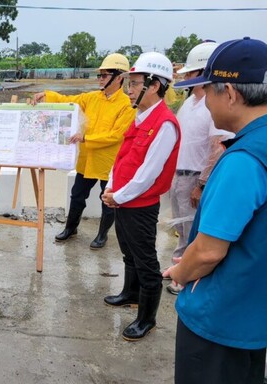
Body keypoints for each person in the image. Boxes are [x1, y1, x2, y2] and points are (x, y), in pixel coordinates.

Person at [163, 37, 267, 384]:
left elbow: (208, 252)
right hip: (253, 315)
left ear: (232, 94)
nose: (204, 101)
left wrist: (180, 273)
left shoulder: (243, 160)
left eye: (207, 91)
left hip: (219, 321)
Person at [101, 52, 181, 341]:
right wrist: (111, 187)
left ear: (155, 85)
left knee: (146, 261)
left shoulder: (165, 123)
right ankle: (130, 294)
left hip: (140, 205)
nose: (129, 90)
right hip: (123, 200)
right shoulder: (140, 117)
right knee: (128, 252)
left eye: (134, 84)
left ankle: (147, 319)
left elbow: (148, 174)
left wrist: (117, 196)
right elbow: (122, 157)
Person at [32, 53, 136, 250]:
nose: (100, 79)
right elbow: (69, 101)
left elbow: (116, 135)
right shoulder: (92, 98)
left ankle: (102, 234)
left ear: (119, 78)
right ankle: (71, 228)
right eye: (100, 75)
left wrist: (86, 138)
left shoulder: (126, 105)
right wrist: (46, 95)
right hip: (87, 159)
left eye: (104, 76)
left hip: (108, 162)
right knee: (77, 194)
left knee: (107, 200)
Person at [166, 41, 235, 295]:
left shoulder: (212, 103)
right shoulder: (191, 102)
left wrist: (201, 184)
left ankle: (185, 277)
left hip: (195, 177)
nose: (188, 77)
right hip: (180, 174)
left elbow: (217, 147)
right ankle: (177, 268)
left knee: (193, 229)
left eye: (192, 73)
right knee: (181, 228)